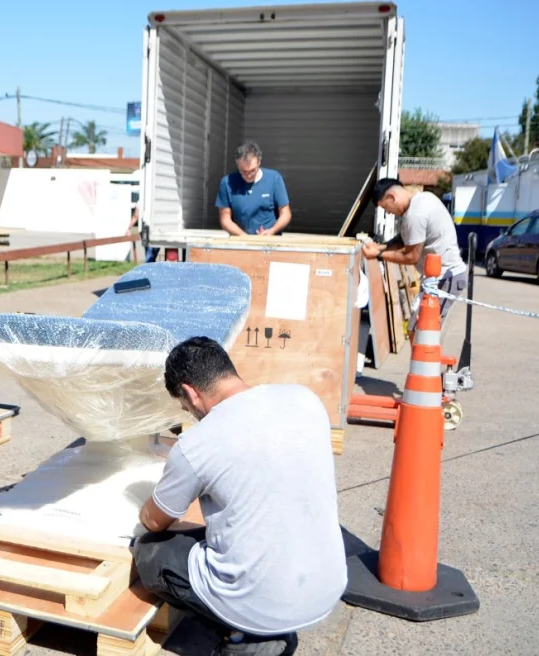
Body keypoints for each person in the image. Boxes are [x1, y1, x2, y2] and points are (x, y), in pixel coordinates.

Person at [133, 337, 346, 656]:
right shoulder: (304, 399)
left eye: (185, 406)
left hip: (262, 603)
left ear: (190, 392)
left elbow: (154, 520)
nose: (190, 412)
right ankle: (259, 626)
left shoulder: (198, 445)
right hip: (325, 588)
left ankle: (245, 636)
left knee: (150, 552)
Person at [362, 178, 468, 330]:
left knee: (423, 332)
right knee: (415, 330)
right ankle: (418, 354)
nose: (389, 213)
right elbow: (405, 239)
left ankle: (424, 354)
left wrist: (378, 255)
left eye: (386, 207)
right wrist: (379, 247)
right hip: (435, 279)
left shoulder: (415, 214)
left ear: (392, 197)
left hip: (446, 279)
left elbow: (411, 257)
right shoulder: (421, 200)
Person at [216, 142, 292, 237]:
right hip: (240, 242)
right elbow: (225, 218)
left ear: (259, 162)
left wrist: (272, 231)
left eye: (252, 170)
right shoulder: (227, 183)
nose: (248, 175)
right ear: (237, 164)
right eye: (243, 171)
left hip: (270, 242)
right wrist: (243, 236)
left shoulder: (274, 179)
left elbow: (285, 212)